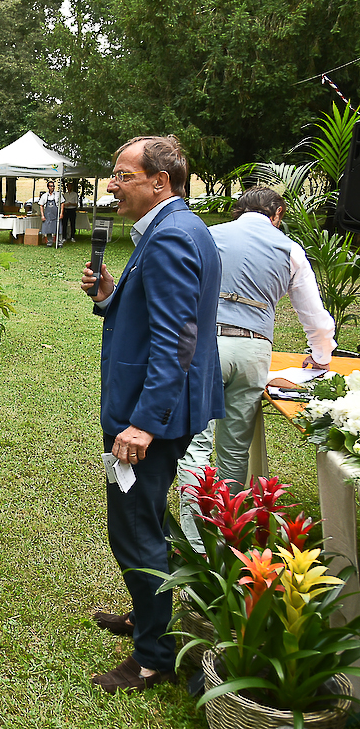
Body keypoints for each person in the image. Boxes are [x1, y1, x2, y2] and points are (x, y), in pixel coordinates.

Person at [80, 135, 223, 694]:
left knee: (135, 528)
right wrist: (110, 295)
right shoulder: (178, 229)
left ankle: (153, 658)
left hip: (154, 415)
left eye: (123, 174)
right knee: (148, 522)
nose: (112, 184)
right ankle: (149, 617)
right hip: (165, 407)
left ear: (158, 181)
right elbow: (158, 315)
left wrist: (144, 422)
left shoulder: (169, 238)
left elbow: (175, 340)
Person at [176, 187, 336, 549]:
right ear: (277, 213)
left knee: (196, 446)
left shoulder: (210, 236)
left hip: (204, 345)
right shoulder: (290, 250)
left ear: (238, 211)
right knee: (234, 451)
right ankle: (222, 539)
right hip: (253, 348)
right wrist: (322, 357)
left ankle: (192, 543)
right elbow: (316, 320)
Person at [38, 180, 62, 247]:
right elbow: (41, 205)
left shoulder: (58, 194)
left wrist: (61, 213)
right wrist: (42, 215)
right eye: (51, 186)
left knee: (58, 228)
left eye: (53, 186)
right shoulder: (45, 196)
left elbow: (62, 203)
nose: (52, 187)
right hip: (48, 215)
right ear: (48, 187)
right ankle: (49, 242)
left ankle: (59, 242)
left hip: (56, 214)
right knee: (48, 229)